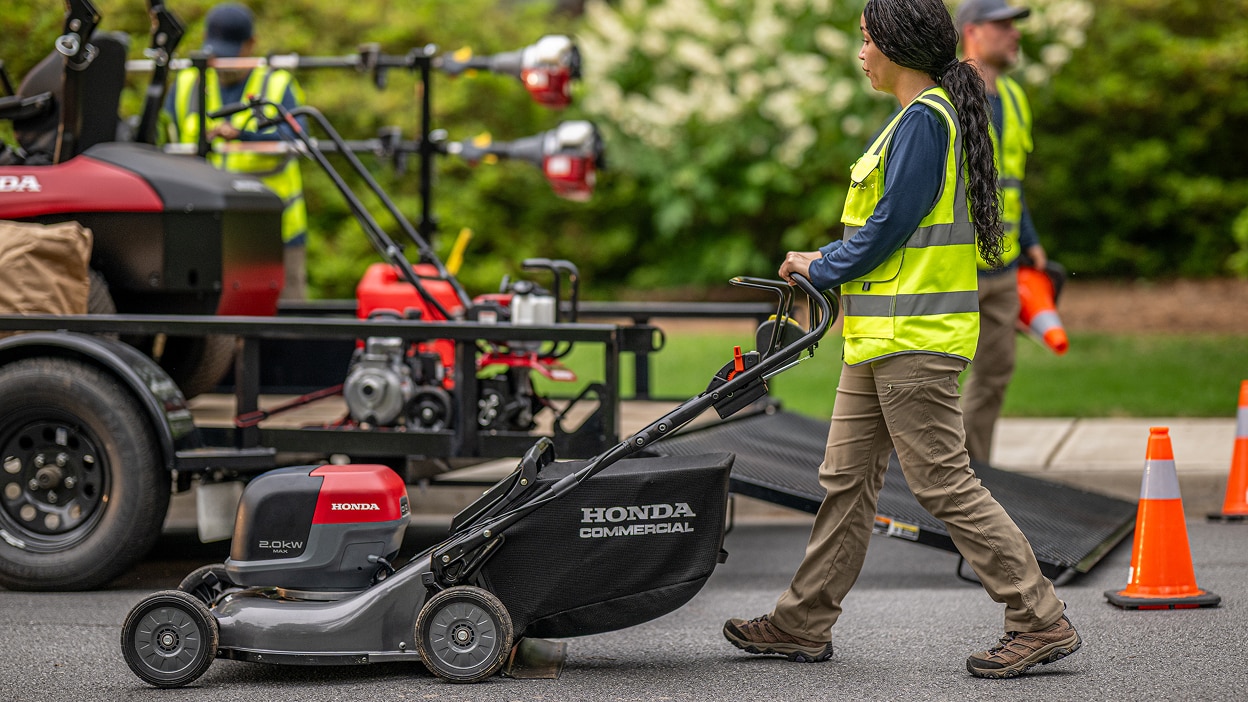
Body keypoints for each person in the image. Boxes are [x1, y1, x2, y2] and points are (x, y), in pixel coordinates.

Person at [722, 0, 1080, 678]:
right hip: (880, 340)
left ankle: (1038, 617)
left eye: (864, 39)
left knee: (944, 484)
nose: (859, 52)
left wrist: (818, 265)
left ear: (893, 46)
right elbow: (891, 229)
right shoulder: (922, 119)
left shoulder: (924, 122)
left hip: (912, 340)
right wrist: (822, 259)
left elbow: (888, 230)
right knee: (846, 480)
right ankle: (802, 624)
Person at [955, 0, 1050, 464]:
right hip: (951, 268)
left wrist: (1029, 240)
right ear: (972, 31)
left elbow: (1010, 180)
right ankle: (933, 481)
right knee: (929, 382)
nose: (1014, 34)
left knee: (994, 374)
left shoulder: (1012, 98)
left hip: (1002, 268)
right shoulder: (947, 96)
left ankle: (975, 479)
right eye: (1004, 25)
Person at [164, 3, 309, 300]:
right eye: (215, 50)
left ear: (251, 44)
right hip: (206, 229)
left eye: (229, 52)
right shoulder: (187, 83)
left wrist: (243, 135)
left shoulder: (276, 84)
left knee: (284, 322)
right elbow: (159, 147)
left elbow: (296, 139)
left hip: (275, 232)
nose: (221, 60)